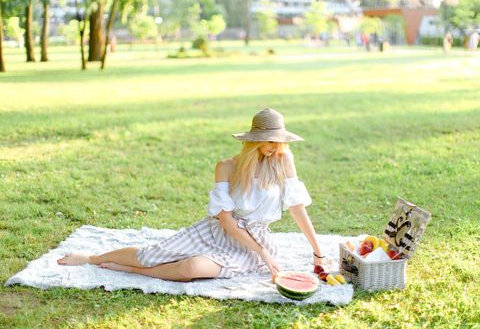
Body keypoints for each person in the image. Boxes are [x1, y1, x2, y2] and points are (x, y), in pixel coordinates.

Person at [57, 108, 327, 281]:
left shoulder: (283, 162)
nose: (275, 147)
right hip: (217, 232)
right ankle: (94, 258)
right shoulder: (227, 167)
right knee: (150, 254)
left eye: (279, 141)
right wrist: (263, 254)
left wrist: (317, 253)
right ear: (254, 140)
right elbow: (226, 222)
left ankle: (132, 272)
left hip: (255, 241)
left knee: (192, 269)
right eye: (270, 141)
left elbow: (296, 207)